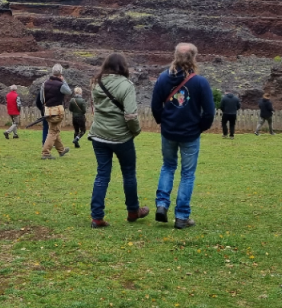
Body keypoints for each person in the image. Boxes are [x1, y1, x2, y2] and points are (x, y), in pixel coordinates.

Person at [151, 43, 215, 230]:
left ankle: (162, 205)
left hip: (169, 133)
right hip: (190, 135)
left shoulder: (163, 78)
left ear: (175, 56)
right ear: (194, 57)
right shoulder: (200, 82)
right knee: (187, 174)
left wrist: (162, 123)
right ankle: (181, 217)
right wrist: (199, 128)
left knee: (168, 166)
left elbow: (155, 106)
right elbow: (209, 112)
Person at [88, 54, 146, 227]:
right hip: (121, 137)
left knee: (102, 175)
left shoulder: (96, 82)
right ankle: (133, 211)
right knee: (128, 174)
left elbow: (94, 108)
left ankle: (96, 217)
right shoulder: (126, 85)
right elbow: (130, 115)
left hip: (99, 135)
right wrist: (136, 130)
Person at [40, 64, 72, 159]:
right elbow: (69, 92)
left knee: (54, 130)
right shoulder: (61, 84)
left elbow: (42, 98)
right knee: (53, 132)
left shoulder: (45, 83)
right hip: (57, 111)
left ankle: (61, 150)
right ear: (61, 73)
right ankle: (46, 153)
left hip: (47, 110)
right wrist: (64, 81)